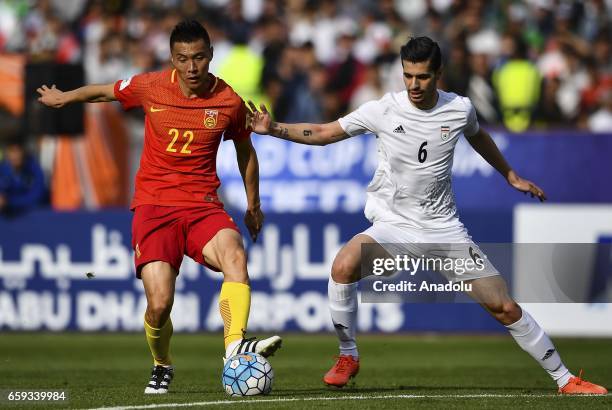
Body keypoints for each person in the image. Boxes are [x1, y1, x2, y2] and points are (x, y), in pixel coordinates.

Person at [247, 36, 607, 395]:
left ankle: (565, 379)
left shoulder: (459, 109)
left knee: (504, 307)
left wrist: (510, 175)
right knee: (343, 265)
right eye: (407, 76)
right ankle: (347, 355)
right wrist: (274, 129)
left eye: (422, 77)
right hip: (395, 228)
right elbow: (325, 132)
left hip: (444, 231)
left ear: (438, 74)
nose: (414, 85)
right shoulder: (383, 110)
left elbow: (479, 137)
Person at [37, 20, 281, 394]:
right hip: (154, 206)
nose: (192, 67)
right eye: (183, 59)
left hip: (202, 205)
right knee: (159, 304)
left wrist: (253, 205)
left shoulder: (228, 101)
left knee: (235, 256)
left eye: (199, 57)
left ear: (211, 55)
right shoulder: (150, 86)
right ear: (172, 58)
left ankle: (234, 349)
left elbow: (246, 153)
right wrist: (65, 97)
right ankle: (162, 363)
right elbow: (106, 92)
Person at [0, 139, 47, 215]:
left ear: (24, 152)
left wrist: (9, 201)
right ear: (7, 154)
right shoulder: (2, 170)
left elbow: (36, 196)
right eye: (12, 151)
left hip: (33, 215)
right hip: (8, 218)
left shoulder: (35, 170)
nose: (15, 155)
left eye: (18, 151)